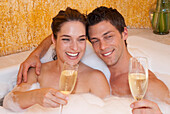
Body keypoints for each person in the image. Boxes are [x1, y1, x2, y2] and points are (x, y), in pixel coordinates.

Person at [17, 6, 168, 113]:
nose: (102, 46)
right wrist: (36, 54)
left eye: (108, 36)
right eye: (95, 40)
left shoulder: (147, 86)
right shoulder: (91, 60)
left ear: (125, 33)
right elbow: (65, 34)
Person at [3, 7, 110, 111]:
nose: (75, 47)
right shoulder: (38, 72)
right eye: (66, 39)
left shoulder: (96, 79)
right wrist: (35, 96)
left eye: (81, 39)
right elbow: (9, 102)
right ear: (53, 39)